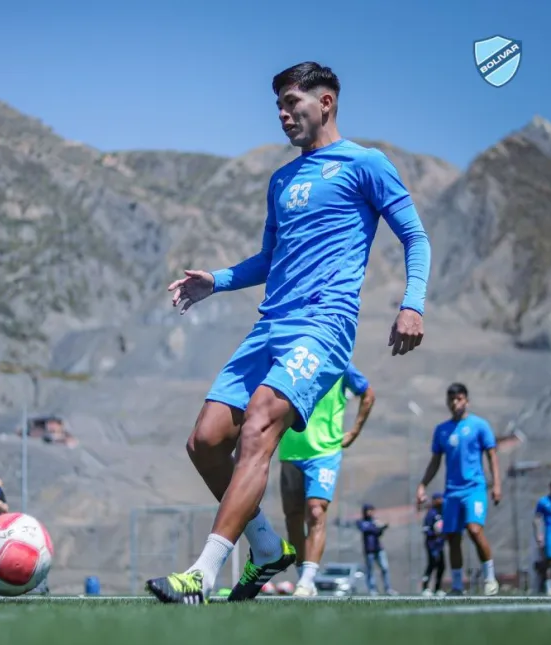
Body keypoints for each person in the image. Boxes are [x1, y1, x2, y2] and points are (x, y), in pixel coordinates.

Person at [146, 61, 430, 605]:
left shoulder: (365, 164)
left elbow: (416, 237)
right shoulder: (282, 180)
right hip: (269, 326)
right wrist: (219, 280)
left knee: (258, 428)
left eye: (292, 102)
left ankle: (202, 574)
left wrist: (411, 304)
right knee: (204, 441)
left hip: (323, 327)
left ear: (326, 103)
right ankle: (266, 548)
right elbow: (271, 259)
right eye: (277, 105)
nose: (282, 114)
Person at [279, 362, 375, 597]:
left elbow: (368, 393)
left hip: (324, 452)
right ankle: (303, 576)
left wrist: (354, 431)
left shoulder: (339, 364)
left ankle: (308, 579)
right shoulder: (292, 361)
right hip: (291, 451)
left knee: (315, 511)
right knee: (292, 518)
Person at [416, 383, 501, 596]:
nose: (455, 403)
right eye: (452, 399)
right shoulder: (442, 430)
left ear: (467, 401)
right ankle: (456, 586)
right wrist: (422, 485)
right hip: (452, 492)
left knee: (474, 529)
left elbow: (492, 455)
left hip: (474, 489)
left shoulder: (479, 426)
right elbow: (435, 461)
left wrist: (497, 484)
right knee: (453, 538)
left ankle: (490, 578)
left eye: (459, 399)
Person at [356, 504, 394, 595]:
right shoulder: (362, 522)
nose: (370, 512)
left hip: (378, 548)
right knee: (370, 570)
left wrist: (382, 527)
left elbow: (378, 532)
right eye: (368, 510)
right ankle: (372, 589)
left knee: (385, 568)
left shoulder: (375, 521)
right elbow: (366, 529)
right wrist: (376, 526)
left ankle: (388, 588)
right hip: (369, 549)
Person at [420, 492, 447, 597]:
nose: (441, 501)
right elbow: (425, 529)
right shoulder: (431, 513)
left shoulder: (443, 513)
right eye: (438, 499)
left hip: (440, 544)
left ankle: (438, 588)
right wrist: (434, 533)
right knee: (432, 565)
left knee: (442, 566)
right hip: (432, 544)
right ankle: (425, 587)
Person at [534, 479, 551, 596]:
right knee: (550, 561)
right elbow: (537, 519)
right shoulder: (544, 502)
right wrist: (538, 534)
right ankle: (548, 585)